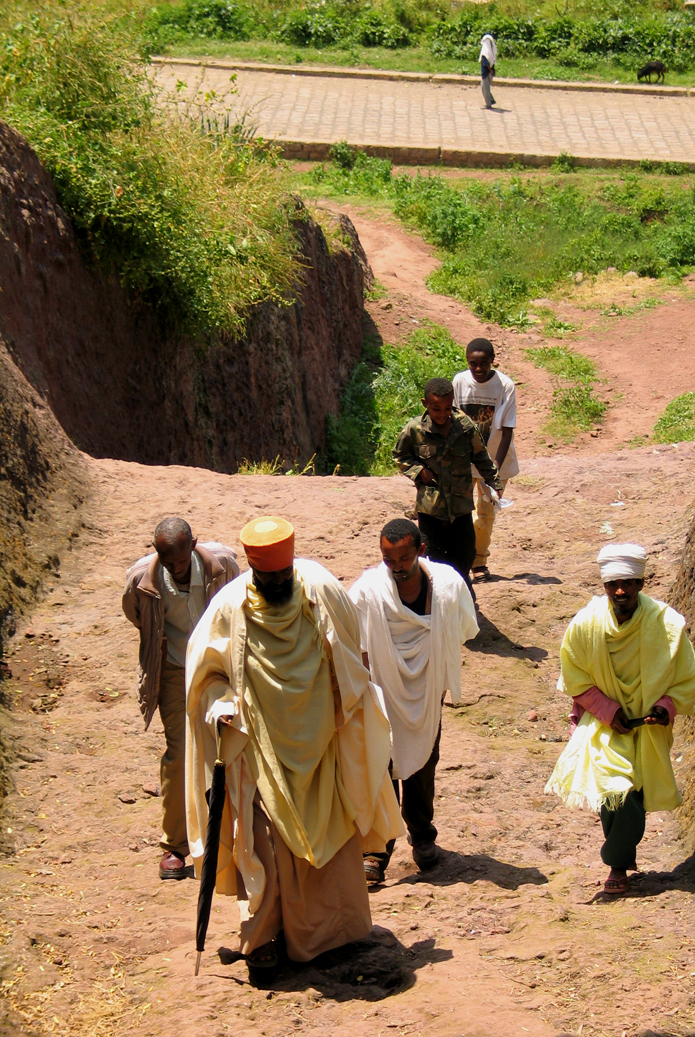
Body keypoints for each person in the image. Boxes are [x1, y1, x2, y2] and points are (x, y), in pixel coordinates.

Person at [185, 516, 403, 976]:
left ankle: (331, 935)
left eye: (284, 575)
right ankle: (261, 939)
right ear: (253, 570)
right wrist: (221, 706)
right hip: (260, 746)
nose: (278, 582)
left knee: (332, 835)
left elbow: (350, 656)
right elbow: (204, 678)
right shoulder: (228, 609)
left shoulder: (321, 589)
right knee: (263, 844)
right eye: (269, 577)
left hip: (322, 743)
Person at [545, 544, 695, 895]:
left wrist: (665, 706)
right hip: (602, 724)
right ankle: (617, 862)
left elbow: (686, 676)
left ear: (641, 584)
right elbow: (575, 679)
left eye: (628, 583)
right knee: (615, 789)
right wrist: (608, 711)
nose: (620, 591)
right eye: (613, 584)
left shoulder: (666, 623)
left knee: (633, 792)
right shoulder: (585, 625)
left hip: (647, 726)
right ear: (604, 586)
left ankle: (618, 858)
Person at [349, 519, 478, 883]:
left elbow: (461, 631)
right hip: (381, 692)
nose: (396, 567)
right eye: (389, 560)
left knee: (424, 763)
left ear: (421, 550)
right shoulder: (368, 591)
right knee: (381, 765)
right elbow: (355, 644)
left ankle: (422, 835)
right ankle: (377, 849)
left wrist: (434, 677)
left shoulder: (449, 586)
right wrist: (369, 689)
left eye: (403, 558)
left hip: (427, 689)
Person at [122, 518, 239, 880]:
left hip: (221, 668)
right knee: (179, 754)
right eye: (167, 562)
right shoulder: (141, 579)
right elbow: (136, 616)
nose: (174, 568)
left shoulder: (224, 566)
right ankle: (174, 845)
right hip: (174, 670)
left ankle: (234, 838)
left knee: (233, 745)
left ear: (194, 545)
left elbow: (241, 607)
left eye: (180, 561)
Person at [393, 377, 502, 595]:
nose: (442, 414)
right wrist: (419, 471)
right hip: (430, 511)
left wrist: (494, 483)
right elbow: (399, 456)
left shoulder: (465, 427)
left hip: (460, 509)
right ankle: (440, 604)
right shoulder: (415, 430)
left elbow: (481, 457)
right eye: (436, 409)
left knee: (463, 558)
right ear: (425, 404)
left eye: (447, 408)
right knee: (434, 562)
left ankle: (462, 602)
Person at [453, 338, 519, 583]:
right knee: (459, 511)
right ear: (467, 362)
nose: (478, 369)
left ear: (492, 361)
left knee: (485, 514)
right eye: (473, 364)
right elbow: (452, 421)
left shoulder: (505, 386)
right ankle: (459, 560)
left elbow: (507, 430)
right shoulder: (460, 382)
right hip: (463, 459)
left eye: (484, 363)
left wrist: (494, 472)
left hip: (495, 459)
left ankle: (479, 561)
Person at [480, 33, 497, 110]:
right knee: (485, 87)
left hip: (486, 73)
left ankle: (488, 104)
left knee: (485, 89)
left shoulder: (484, 53)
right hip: (491, 72)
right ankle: (491, 100)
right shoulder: (491, 52)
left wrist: (490, 70)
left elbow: (485, 63)